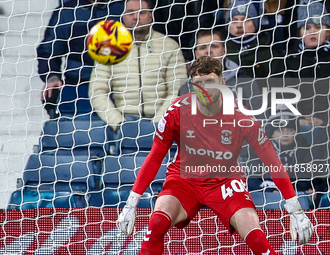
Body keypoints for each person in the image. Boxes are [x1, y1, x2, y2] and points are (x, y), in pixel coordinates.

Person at [117, 56, 314, 255]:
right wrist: (131, 203)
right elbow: (155, 157)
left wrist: (294, 208)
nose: (204, 88)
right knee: (157, 222)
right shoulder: (176, 111)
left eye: (209, 81)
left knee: (256, 238)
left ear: (222, 82)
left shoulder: (242, 116)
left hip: (225, 182)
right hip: (184, 180)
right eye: (198, 83)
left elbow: (273, 162)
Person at [89, 0, 187, 132]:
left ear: (151, 16)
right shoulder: (108, 47)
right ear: (123, 17)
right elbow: (97, 92)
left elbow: (178, 91)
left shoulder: (169, 46)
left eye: (142, 12)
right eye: (130, 13)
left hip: (163, 121)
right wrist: (118, 123)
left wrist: (160, 122)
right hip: (124, 120)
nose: (136, 17)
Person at [37, 0, 124, 118]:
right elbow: (48, 50)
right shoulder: (67, 11)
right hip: (78, 83)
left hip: (117, 85)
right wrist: (52, 76)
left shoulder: (123, 8)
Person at [178, 28, 264, 119]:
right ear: (196, 54)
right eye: (203, 48)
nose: (208, 51)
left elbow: (258, 118)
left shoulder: (246, 82)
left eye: (214, 46)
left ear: (224, 51)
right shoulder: (186, 89)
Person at [285, 0, 330, 127]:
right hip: (298, 122)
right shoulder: (291, 60)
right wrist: (296, 120)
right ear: (300, 32)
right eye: (307, 27)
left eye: (318, 27)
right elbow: (286, 93)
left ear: (327, 31)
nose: (313, 32)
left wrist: (324, 118)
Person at [225, 0, 284, 86]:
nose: (239, 25)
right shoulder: (222, 51)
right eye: (234, 20)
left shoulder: (269, 52)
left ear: (255, 24)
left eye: (245, 20)